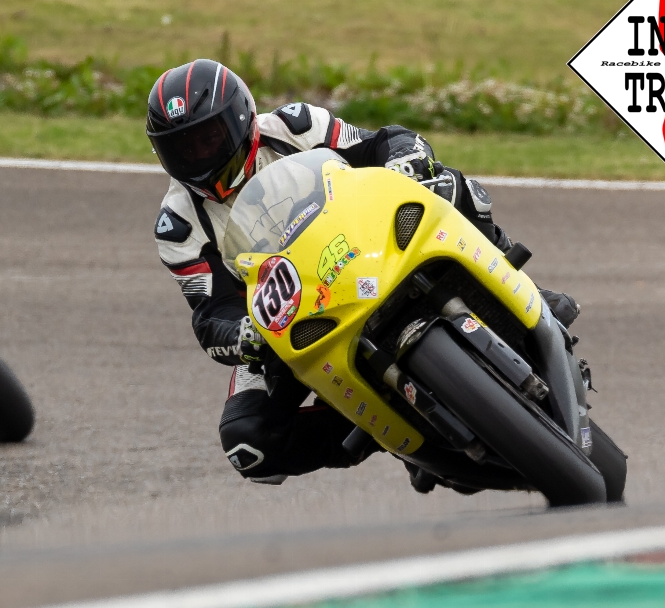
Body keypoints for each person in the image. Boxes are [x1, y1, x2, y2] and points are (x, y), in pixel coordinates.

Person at [146, 59, 580, 486]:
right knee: (249, 443)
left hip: (366, 245)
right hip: (290, 317)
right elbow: (211, 313)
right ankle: (386, 426)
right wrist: (242, 334)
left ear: (242, 118)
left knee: (447, 183)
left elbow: (383, 142)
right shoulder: (178, 225)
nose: (198, 156)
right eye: (182, 148)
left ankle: (519, 285)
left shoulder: (296, 126)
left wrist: (407, 159)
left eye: (208, 138)